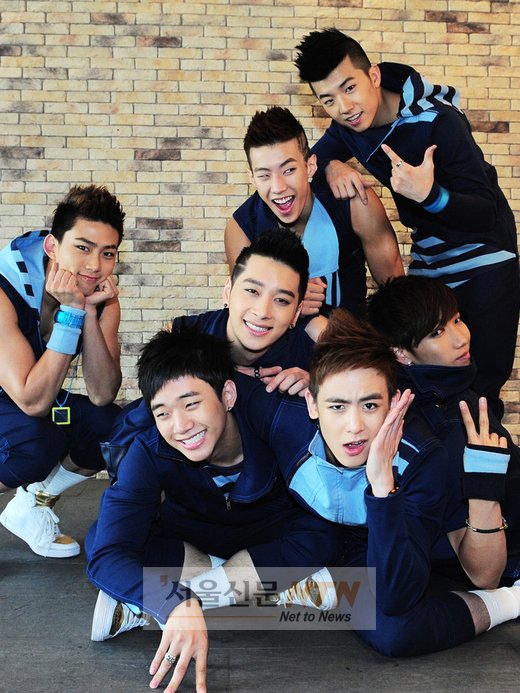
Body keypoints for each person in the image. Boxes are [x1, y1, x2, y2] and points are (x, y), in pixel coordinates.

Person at [86, 329, 343, 693]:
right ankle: (272, 587)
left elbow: (329, 513)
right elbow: (108, 553)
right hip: (197, 540)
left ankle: (150, 606)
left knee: (324, 535)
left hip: (270, 534)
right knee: (101, 536)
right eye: (163, 413)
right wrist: (172, 601)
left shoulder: (278, 416)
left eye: (191, 404)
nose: (180, 426)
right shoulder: (148, 446)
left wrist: (173, 598)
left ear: (227, 394)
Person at [260, 310, 520, 656]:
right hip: (322, 542)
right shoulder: (282, 416)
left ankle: (513, 599)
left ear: (393, 402)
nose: (354, 426)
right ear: (312, 403)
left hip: (398, 547)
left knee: (394, 632)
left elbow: (399, 597)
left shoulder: (425, 455)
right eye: (337, 406)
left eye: (370, 405)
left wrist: (384, 488)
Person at [294, 28, 519, 419]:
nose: (344, 107)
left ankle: (487, 457)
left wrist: (430, 195)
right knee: (417, 376)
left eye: (350, 88)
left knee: (481, 389)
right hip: (431, 261)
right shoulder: (350, 127)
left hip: (485, 258)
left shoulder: (439, 121)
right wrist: (331, 166)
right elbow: (310, 162)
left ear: (374, 76)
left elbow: (486, 211)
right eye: (328, 99)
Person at [366, 275, 520, 587]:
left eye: (457, 320)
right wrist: (484, 482)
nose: (461, 338)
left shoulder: (442, 391)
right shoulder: (445, 428)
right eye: (437, 332)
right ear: (401, 353)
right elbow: (483, 574)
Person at [0, 184, 124, 558]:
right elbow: (32, 400)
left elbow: (102, 393)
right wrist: (70, 313)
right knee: (34, 442)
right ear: (53, 247)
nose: (94, 265)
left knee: (114, 429)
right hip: (18, 400)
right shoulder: (5, 288)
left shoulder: (101, 296)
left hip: (23, 401)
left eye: (107, 253)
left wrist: (87, 312)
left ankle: (33, 503)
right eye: (83, 248)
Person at [225, 106, 403, 317]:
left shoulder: (353, 201)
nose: (278, 187)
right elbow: (243, 314)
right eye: (264, 175)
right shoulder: (241, 229)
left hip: (350, 335)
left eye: (289, 170)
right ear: (252, 178)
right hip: (280, 338)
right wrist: (286, 296)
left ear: (310, 166)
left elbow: (397, 296)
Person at [174, 226, 326, 397]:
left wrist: (321, 389)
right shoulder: (182, 337)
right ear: (228, 291)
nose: (262, 312)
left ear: (296, 313)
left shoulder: (311, 348)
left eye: (281, 300)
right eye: (252, 291)